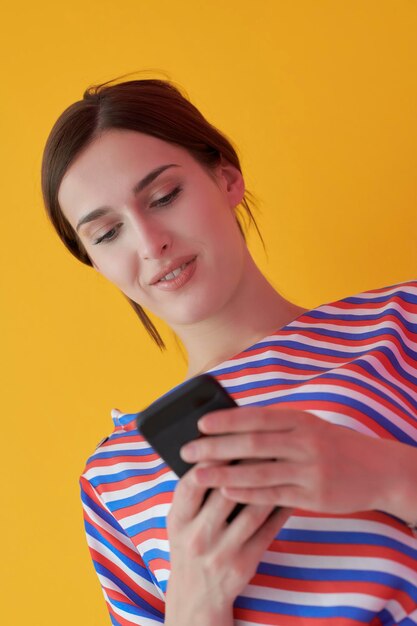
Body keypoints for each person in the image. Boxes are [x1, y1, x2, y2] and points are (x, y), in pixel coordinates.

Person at [41, 77, 417, 626]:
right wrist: (196, 604)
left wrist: (390, 475)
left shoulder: (401, 321)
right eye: (106, 234)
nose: (150, 243)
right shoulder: (112, 475)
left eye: (165, 196)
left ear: (226, 178)